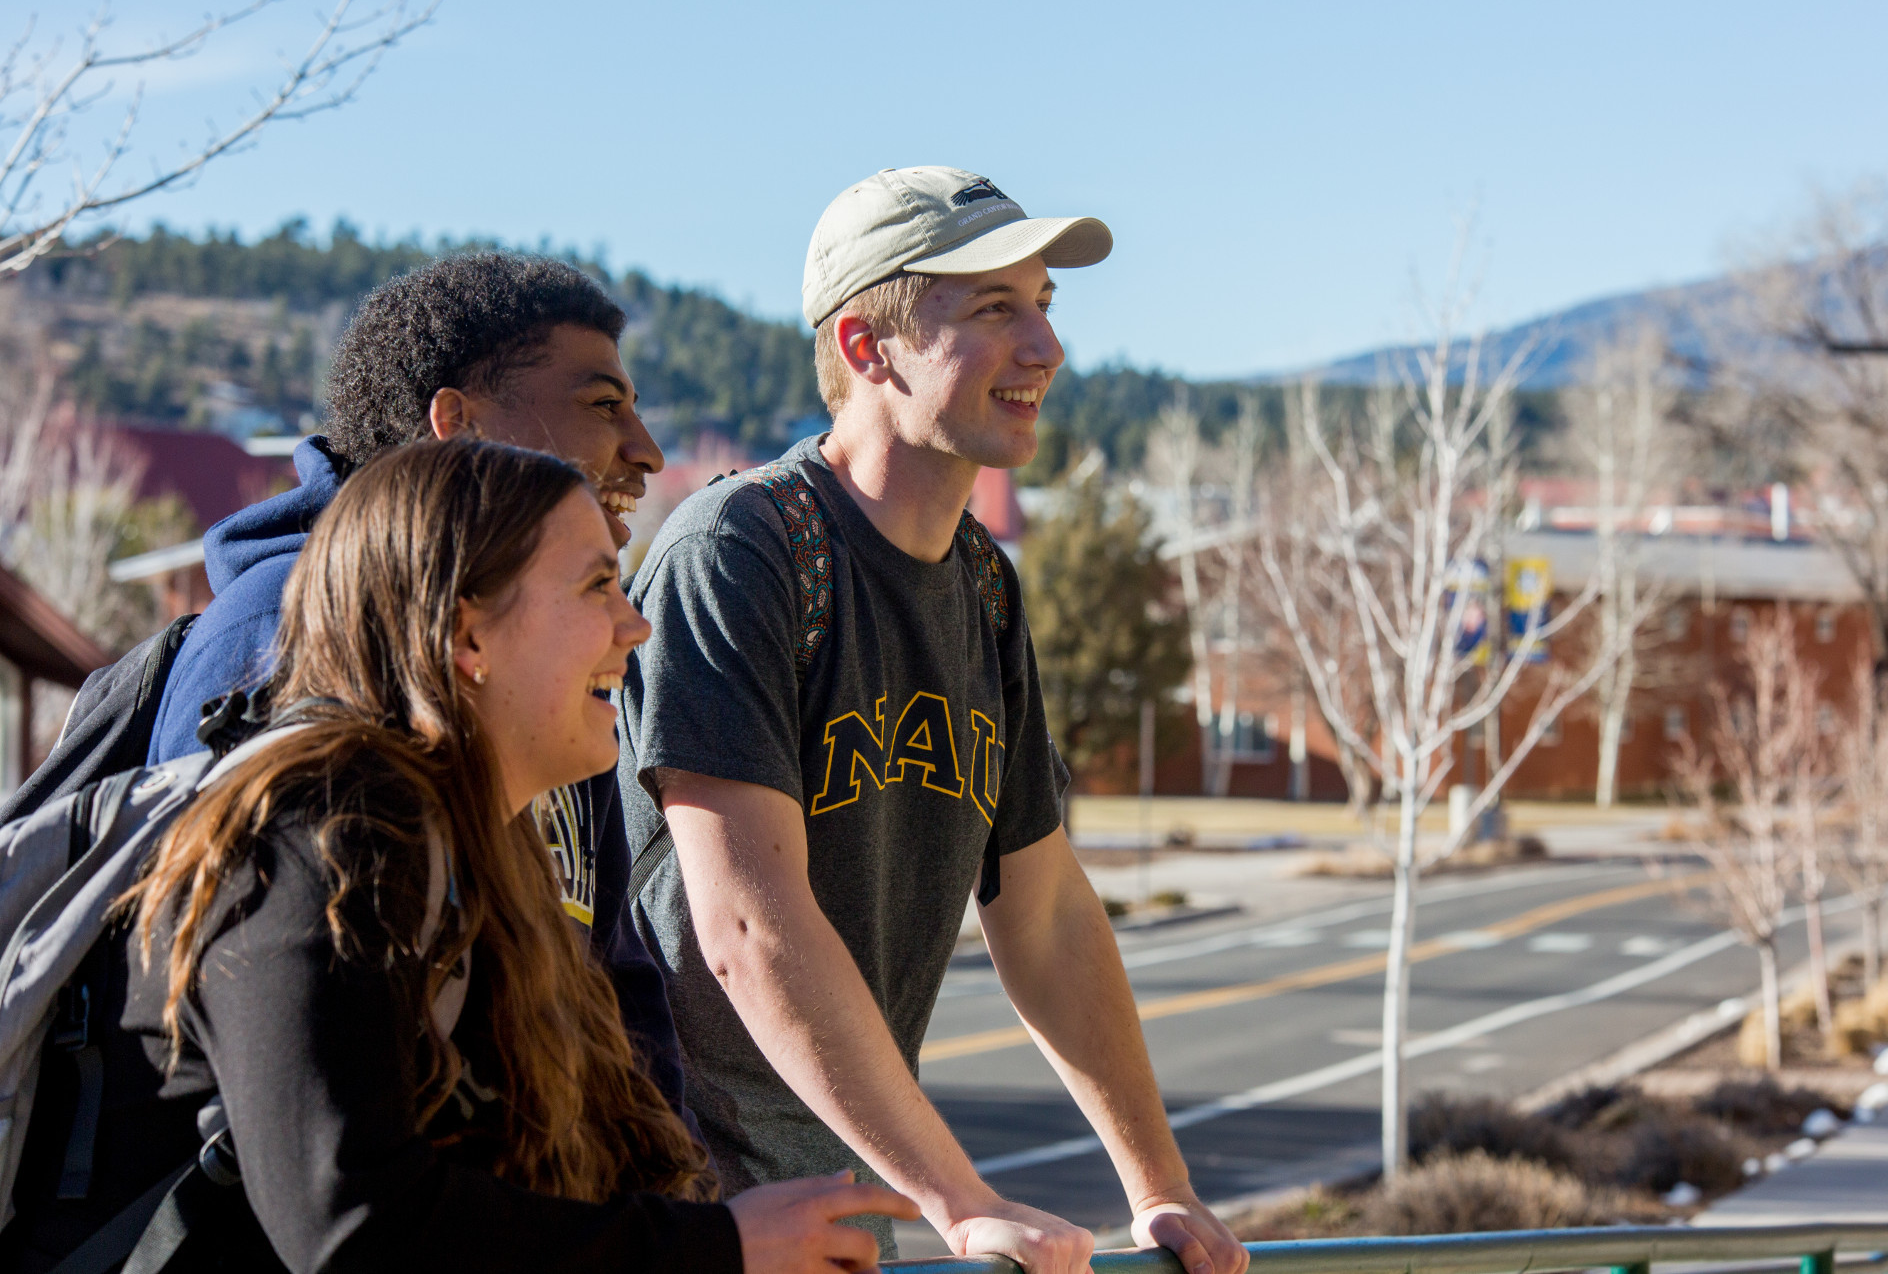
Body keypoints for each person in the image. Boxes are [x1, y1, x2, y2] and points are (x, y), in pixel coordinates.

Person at [0, 440, 917, 1273]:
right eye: (596, 587)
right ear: (468, 634)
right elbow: (353, 1223)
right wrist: (719, 1247)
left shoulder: (479, 842)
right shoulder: (324, 830)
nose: (633, 626)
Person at [619, 168, 1248, 1274]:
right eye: (995, 309)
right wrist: (962, 1203)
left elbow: (1044, 913)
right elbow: (746, 926)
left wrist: (1160, 1187)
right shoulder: (738, 555)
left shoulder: (983, 587)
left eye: (1044, 303)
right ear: (867, 347)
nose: (1046, 347)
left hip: (845, 1206)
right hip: (689, 1214)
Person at [143, 253, 693, 1115]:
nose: (646, 450)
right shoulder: (284, 633)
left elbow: (615, 986)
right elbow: (251, 1068)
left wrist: (677, 1184)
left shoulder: (549, 662)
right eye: (602, 405)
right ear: (458, 424)